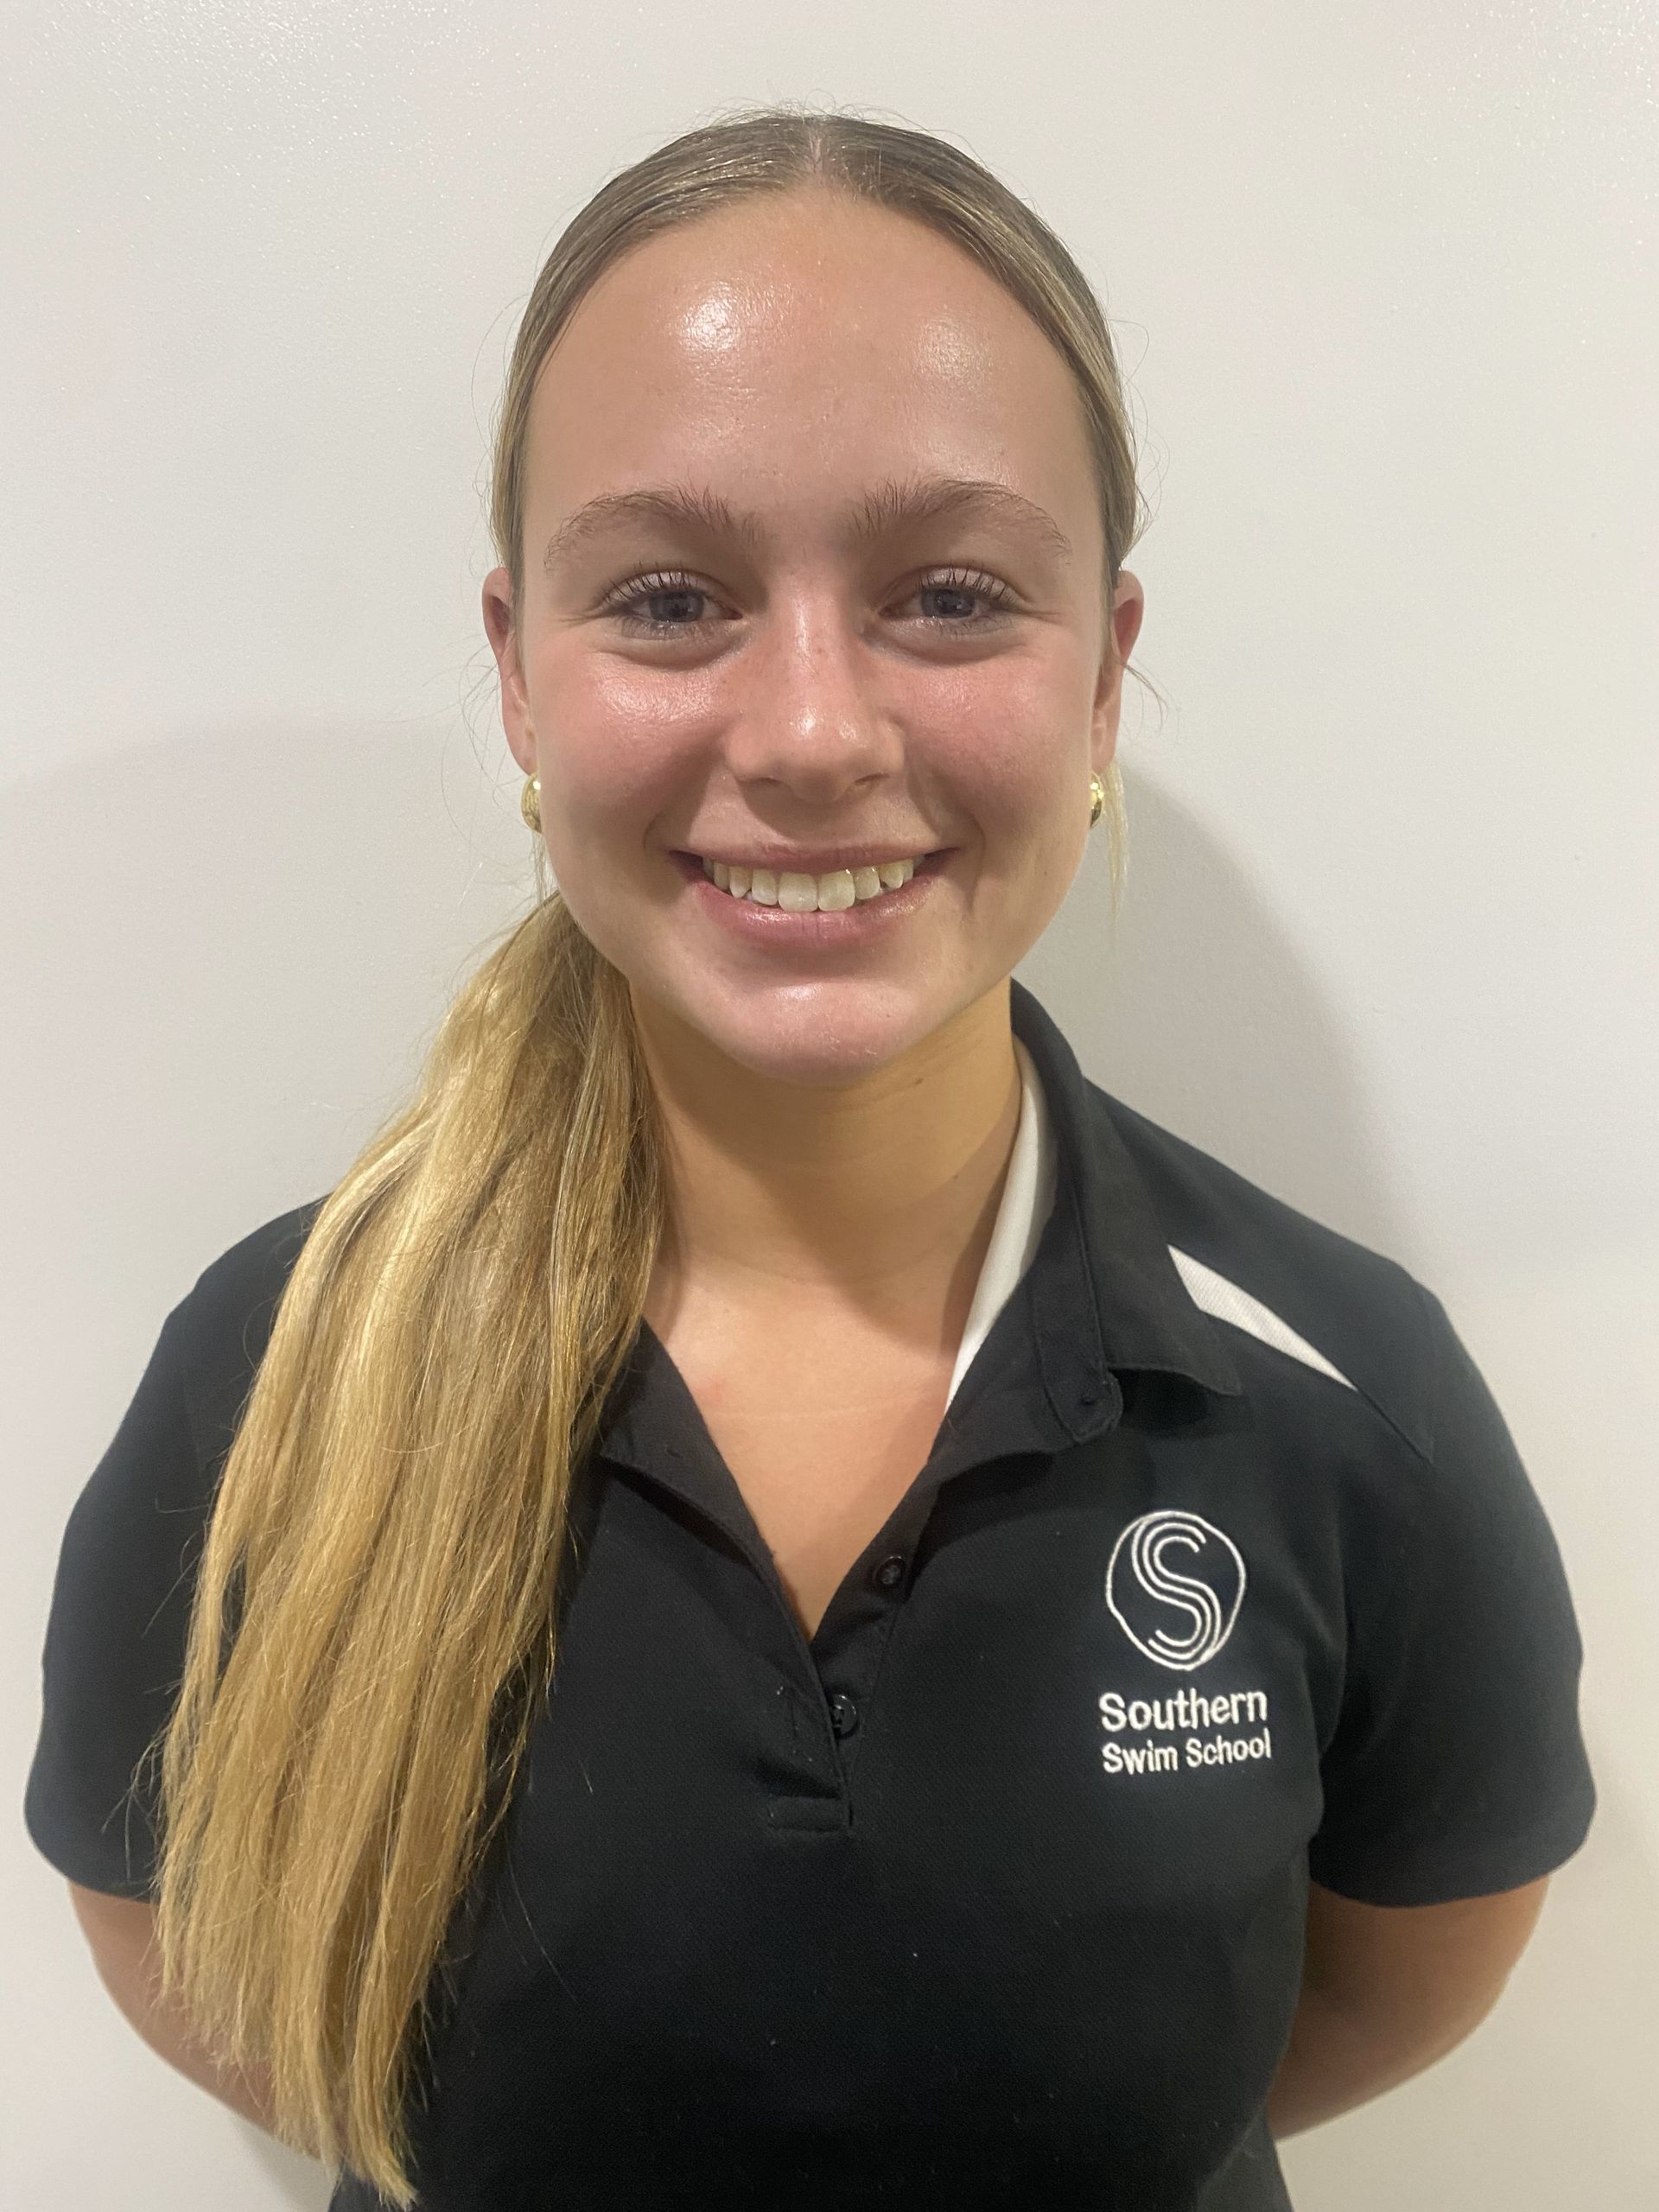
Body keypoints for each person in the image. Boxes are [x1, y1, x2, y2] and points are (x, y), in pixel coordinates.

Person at [24, 105, 1595, 2212]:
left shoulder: (1343, 1391)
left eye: (951, 594)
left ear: (1109, 671)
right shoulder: (279, 1373)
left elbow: (1399, 1979)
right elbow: (195, 1955)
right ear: (516, 670)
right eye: (669, 597)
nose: (809, 730)